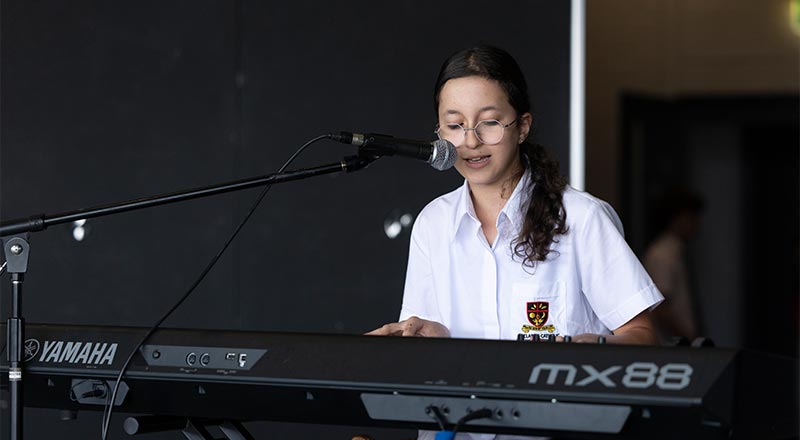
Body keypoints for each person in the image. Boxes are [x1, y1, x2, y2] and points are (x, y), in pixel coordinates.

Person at [366, 45, 664, 440]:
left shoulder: (581, 217)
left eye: (489, 122)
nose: (470, 142)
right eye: (454, 126)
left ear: (522, 126)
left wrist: (595, 349)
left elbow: (644, 338)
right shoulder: (433, 223)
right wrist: (426, 340)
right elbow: (422, 343)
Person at [643, 187, 705, 342]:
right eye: (691, 217)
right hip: (672, 347)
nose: (697, 224)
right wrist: (689, 340)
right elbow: (660, 308)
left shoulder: (676, 251)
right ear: (676, 218)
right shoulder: (663, 254)